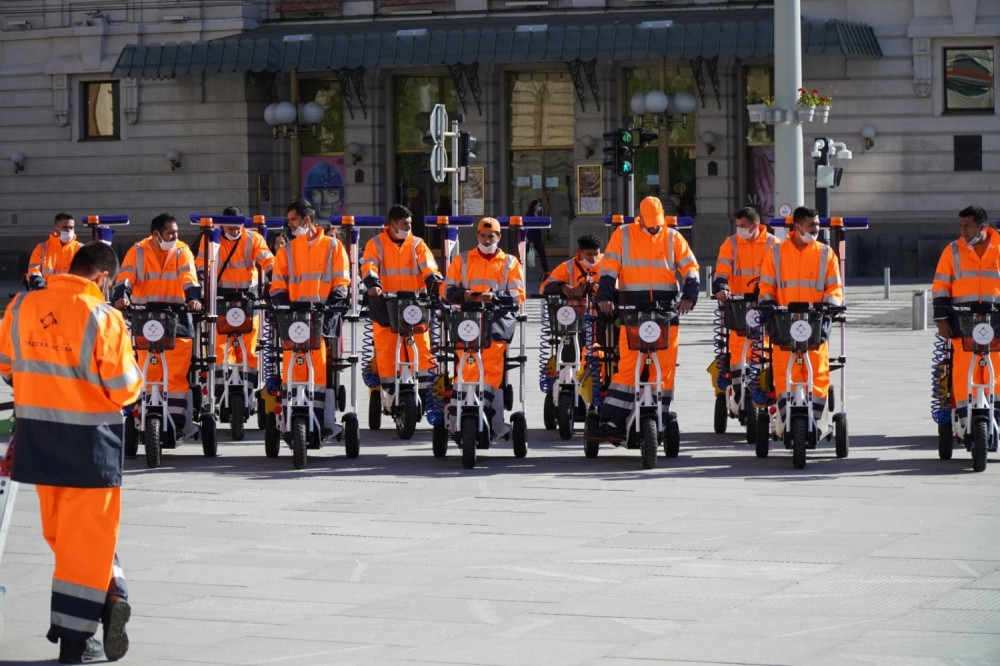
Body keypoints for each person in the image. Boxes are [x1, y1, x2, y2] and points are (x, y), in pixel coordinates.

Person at [0, 242, 142, 663]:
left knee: (62, 535)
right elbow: (124, 388)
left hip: (37, 441)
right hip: (89, 445)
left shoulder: (22, 305)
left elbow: (7, 365)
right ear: (101, 278)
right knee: (88, 541)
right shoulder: (104, 317)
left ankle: (113, 595)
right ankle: (76, 642)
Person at [586, 196, 700, 442]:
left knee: (665, 364)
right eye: (650, 225)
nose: (654, 228)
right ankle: (613, 419)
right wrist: (605, 296)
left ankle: (662, 410)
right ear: (640, 219)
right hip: (631, 309)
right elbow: (609, 268)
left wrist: (690, 295)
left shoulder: (673, 237)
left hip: (665, 310)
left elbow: (690, 268)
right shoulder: (623, 235)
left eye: (657, 224)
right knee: (629, 363)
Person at [113, 213, 203, 439]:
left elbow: (189, 277)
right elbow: (125, 276)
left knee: (175, 374)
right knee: (147, 371)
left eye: (176, 232)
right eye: (170, 232)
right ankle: (144, 414)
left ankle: (177, 422)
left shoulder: (182, 251)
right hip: (147, 318)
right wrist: (122, 295)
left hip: (178, 319)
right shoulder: (138, 251)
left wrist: (193, 297)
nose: (175, 236)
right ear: (156, 234)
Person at [269, 200, 350, 431]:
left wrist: (335, 301)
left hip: (321, 317)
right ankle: (289, 410)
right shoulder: (287, 250)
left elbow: (341, 280)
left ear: (306, 220)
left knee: (318, 363)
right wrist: (282, 303)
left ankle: (318, 415)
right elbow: (277, 285)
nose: (290, 225)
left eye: (293, 220)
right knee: (292, 364)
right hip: (294, 318)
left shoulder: (333, 246)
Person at [758, 205, 844, 422]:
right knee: (782, 369)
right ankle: (785, 416)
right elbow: (766, 285)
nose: (817, 229)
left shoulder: (825, 253)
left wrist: (832, 304)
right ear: (797, 226)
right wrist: (766, 303)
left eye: (817, 224)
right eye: (812, 225)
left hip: (814, 322)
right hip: (784, 321)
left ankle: (815, 418)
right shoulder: (776, 252)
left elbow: (835, 287)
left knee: (818, 370)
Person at [443, 217, 526, 429]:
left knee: (491, 360)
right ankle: (460, 407)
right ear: (477, 236)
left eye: (491, 236)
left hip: (497, 319)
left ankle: (485, 403)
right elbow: (447, 290)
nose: (487, 240)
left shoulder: (510, 262)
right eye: (483, 235)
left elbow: (519, 295)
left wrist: (495, 297)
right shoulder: (461, 259)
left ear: (499, 237)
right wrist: (464, 294)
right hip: (467, 319)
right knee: (466, 361)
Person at [361, 204, 443, 404]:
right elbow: (370, 265)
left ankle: (424, 388)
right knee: (387, 347)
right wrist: (372, 283)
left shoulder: (417, 244)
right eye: (404, 224)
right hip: (385, 303)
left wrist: (433, 281)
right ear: (392, 225)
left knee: (421, 346)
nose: (408, 227)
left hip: (414, 303)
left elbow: (428, 266)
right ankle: (389, 387)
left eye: (410, 223)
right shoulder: (376, 244)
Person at [932, 205, 1000, 432]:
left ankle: (996, 414)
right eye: (960, 225)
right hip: (963, 322)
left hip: (996, 322)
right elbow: (941, 287)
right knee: (963, 369)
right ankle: (964, 418)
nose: (963, 231)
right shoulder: (952, 251)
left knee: (996, 370)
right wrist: (942, 320)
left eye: (967, 226)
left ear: (982, 227)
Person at [711, 206, 778, 395]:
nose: (739, 229)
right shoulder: (731, 243)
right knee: (737, 344)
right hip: (738, 305)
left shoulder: (773, 244)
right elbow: (723, 266)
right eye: (737, 225)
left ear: (755, 225)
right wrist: (722, 286)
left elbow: (777, 274)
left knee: (762, 345)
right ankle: (738, 388)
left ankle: (760, 385)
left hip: (762, 304)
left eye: (742, 225)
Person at [212, 206, 274, 396]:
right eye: (231, 229)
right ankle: (221, 386)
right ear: (222, 226)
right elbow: (202, 264)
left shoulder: (253, 238)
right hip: (222, 297)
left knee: (249, 344)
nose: (236, 231)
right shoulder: (213, 241)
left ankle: (248, 386)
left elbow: (267, 259)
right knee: (221, 344)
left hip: (248, 296)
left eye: (238, 227)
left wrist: (275, 277)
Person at [25, 212, 83, 290]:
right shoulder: (41, 248)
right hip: (47, 294)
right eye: (65, 227)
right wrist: (36, 279)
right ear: (56, 229)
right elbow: (34, 270)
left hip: (71, 294)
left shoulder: (81, 249)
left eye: (71, 228)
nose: (69, 231)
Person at [523, 199, 550, 276]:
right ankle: (519, 270)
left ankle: (546, 271)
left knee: (543, 255)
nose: (540, 207)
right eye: (538, 205)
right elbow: (528, 229)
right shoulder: (530, 216)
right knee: (523, 256)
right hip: (531, 239)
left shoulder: (538, 215)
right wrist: (530, 240)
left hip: (538, 239)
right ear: (534, 206)